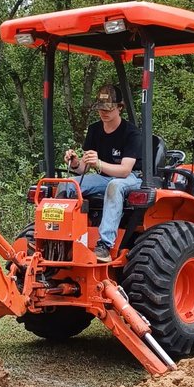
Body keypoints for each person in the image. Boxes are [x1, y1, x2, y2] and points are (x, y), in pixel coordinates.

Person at [63, 83, 143, 262]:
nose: (104, 112)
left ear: (120, 107)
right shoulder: (94, 130)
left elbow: (125, 171)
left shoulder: (131, 133)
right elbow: (84, 168)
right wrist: (75, 163)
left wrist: (98, 163)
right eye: (101, 108)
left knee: (114, 186)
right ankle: (61, 236)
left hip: (132, 178)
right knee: (69, 185)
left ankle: (105, 245)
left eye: (108, 108)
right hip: (103, 177)